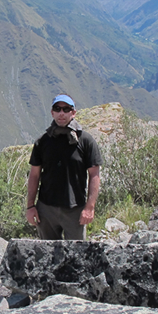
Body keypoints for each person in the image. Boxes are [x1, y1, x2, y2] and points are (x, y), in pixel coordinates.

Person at [26, 94, 103, 240]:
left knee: (76, 256)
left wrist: (89, 207)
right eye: (57, 108)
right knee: (48, 256)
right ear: (52, 112)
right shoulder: (42, 142)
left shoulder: (86, 141)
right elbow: (34, 175)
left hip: (75, 210)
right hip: (46, 209)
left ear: (73, 113)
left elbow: (95, 175)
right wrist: (30, 206)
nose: (61, 113)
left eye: (66, 109)